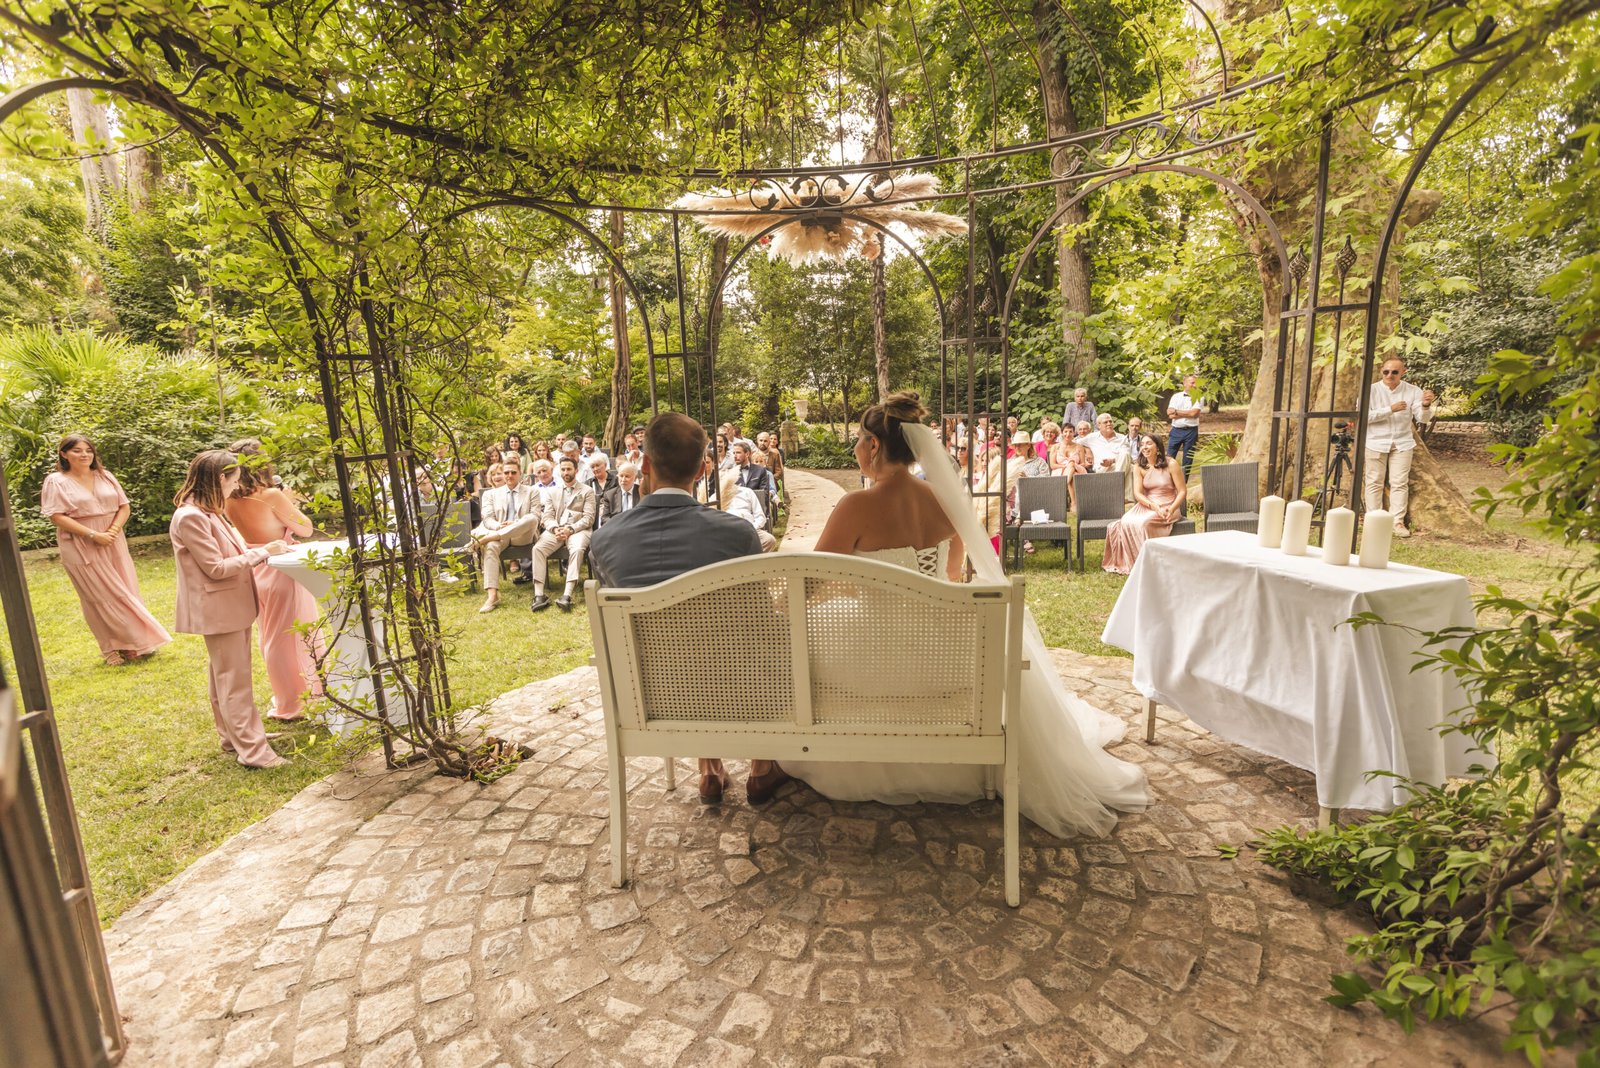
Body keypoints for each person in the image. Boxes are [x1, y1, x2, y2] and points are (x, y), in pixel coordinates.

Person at [797, 391, 1148, 836]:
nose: (855, 449)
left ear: (874, 445)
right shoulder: (943, 499)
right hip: (943, 657)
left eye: (858, 441)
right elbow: (950, 576)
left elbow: (810, 580)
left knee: (798, 649)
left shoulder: (855, 506)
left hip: (878, 658)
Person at [589, 412, 779, 805]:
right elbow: (761, 625)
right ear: (703, 469)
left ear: (644, 464)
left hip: (649, 699)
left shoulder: (604, 541)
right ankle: (761, 766)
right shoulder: (736, 534)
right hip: (734, 692)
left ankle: (708, 767)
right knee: (767, 641)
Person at [170, 450, 291, 768]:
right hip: (218, 609)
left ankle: (234, 736)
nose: (236, 487)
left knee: (223, 678)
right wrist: (263, 552)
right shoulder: (192, 516)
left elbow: (230, 552)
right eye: (234, 480)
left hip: (229, 607)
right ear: (219, 478)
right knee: (234, 683)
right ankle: (254, 751)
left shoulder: (208, 511)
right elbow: (216, 568)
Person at [40, 434, 171, 667]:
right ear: (64, 454)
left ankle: (135, 643)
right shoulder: (56, 481)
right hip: (80, 543)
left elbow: (124, 506)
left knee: (125, 590)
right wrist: (93, 535)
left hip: (113, 539)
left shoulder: (105, 476)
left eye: (88, 450)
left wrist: (112, 531)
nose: (84, 455)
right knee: (99, 596)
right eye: (77, 450)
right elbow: (56, 516)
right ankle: (111, 647)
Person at [225, 439, 324, 722]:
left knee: (271, 637)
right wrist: (289, 499)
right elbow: (306, 529)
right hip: (282, 570)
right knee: (297, 635)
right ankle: (301, 700)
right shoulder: (271, 495)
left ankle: (289, 697)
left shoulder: (228, 499)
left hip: (255, 569)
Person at [1102, 435, 1188, 575]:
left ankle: (1151, 563)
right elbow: (1138, 493)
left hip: (1168, 505)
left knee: (1144, 523)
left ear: (1157, 447)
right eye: (1142, 444)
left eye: (1148, 444)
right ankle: (1135, 563)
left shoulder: (1171, 464)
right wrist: (1153, 506)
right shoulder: (1139, 466)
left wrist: (1172, 509)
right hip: (1148, 504)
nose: (1145, 447)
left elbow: (1182, 491)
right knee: (1125, 521)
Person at [1364, 356, 1426, 538]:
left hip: (1402, 442)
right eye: (1386, 371)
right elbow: (1364, 417)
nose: (1389, 375)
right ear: (1381, 371)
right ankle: (1373, 520)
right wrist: (1390, 409)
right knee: (1374, 482)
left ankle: (1397, 521)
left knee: (1399, 482)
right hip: (1375, 441)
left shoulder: (1413, 391)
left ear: (1403, 372)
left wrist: (1426, 405)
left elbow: (1422, 418)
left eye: (1394, 372)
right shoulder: (1370, 390)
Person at [473, 459, 542, 613]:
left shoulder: (532, 491)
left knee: (531, 519)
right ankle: (492, 595)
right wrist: (499, 526)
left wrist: (515, 523)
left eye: (513, 472)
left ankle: (490, 537)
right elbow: (487, 519)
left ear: (520, 474)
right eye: (506, 472)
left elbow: (536, 516)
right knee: (490, 546)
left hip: (523, 535)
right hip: (500, 534)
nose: (509, 475)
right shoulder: (491, 494)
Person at [530, 456, 596, 612]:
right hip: (556, 530)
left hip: (579, 530)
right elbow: (547, 516)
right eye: (563, 469)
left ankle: (567, 595)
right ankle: (539, 595)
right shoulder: (552, 491)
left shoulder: (587, 491)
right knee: (537, 549)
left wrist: (570, 529)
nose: (566, 472)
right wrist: (555, 529)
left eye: (569, 469)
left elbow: (589, 518)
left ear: (576, 470)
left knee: (577, 549)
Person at [717, 470, 777, 552]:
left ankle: (753, 558)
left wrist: (752, 528)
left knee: (769, 540)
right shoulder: (716, 497)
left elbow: (760, 516)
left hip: (750, 528)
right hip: (728, 532)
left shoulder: (747, 492)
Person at [1165, 374, 1202, 475]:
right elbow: (1169, 414)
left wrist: (1176, 412)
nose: (1195, 385)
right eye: (1192, 383)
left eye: (1196, 383)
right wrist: (1188, 413)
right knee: (1169, 457)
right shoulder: (1176, 396)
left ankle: (1184, 482)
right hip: (1176, 430)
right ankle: (1168, 480)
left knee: (1188, 460)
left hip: (1191, 431)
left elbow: (1194, 414)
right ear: (1184, 383)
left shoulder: (1200, 396)